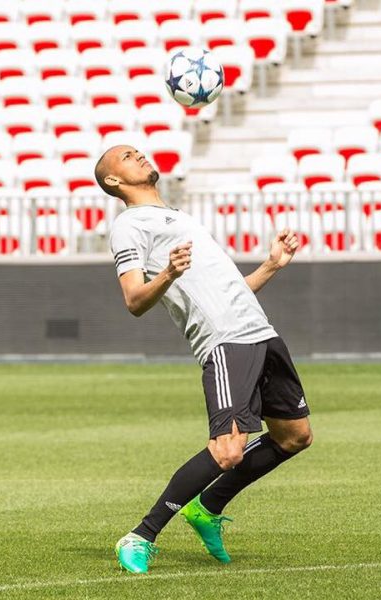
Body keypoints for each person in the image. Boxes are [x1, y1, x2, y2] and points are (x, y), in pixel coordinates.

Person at [94, 145, 313, 574]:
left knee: (295, 436)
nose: (139, 155)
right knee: (228, 450)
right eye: (127, 156)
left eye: (137, 150)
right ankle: (140, 536)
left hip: (262, 334)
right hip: (225, 341)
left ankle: (208, 506)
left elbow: (230, 291)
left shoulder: (180, 217)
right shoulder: (129, 226)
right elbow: (134, 300)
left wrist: (271, 265)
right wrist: (168, 273)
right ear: (113, 180)